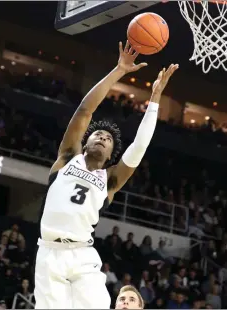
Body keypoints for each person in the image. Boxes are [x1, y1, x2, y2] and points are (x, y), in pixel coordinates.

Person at [34, 40, 179, 309]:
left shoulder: (110, 180)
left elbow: (139, 147)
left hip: (81, 254)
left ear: (111, 153)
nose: (102, 137)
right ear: (85, 142)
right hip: (48, 253)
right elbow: (84, 111)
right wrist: (119, 70)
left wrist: (155, 99)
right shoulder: (67, 158)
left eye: (108, 139)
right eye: (97, 135)